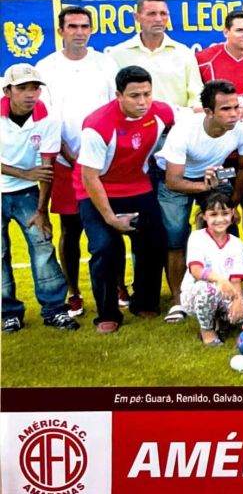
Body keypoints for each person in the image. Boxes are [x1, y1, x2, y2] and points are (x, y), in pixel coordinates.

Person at [77, 66, 174, 332]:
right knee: (105, 248)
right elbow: (89, 177)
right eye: (134, 96)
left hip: (138, 185)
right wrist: (110, 218)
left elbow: (193, 117)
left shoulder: (162, 112)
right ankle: (107, 314)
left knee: (154, 241)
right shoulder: (97, 125)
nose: (143, 102)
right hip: (97, 188)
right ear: (118, 95)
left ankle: (144, 301)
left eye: (147, 94)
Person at [36, 5, 116, 317]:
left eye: (84, 26)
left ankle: (117, 285)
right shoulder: (46, 67)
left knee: (111, 224)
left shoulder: (104, 63)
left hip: (105, 160)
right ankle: (74, 291)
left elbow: (114, 107)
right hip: (65, 160)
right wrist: (67, 152)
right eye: (72, 26)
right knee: (71, 228)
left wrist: (103, 152)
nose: (79, 32)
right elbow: (45, 116)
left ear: (91, 30)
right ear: (61, 31)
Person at [156, 80, 243, 323]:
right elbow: (172, 180)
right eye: (226, 109)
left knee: (227, 228)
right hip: (178, 178)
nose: (234, 114)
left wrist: (232, 205)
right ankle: (179, 301)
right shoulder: (184, 130)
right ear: (209, 112)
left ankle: (229, 296)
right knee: (175, 235)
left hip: (213, 175)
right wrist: (204, 187)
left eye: (236, 107)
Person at [1, 65, 78, 333]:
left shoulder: (49, 118)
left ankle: (55, 310)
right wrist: (24, 173)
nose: (30, 94)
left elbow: (47, 168)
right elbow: (34, 171)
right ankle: (8, 313)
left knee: (43, 246)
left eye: (35, 88)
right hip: (12, 183)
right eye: (22, 88)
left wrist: (42, 210)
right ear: (7, 91)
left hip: (27, 192)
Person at [111, 0, 202, 110]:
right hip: (133, 121)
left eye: (163, 14)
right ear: (137, 17)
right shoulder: (118, 55)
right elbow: (112, 96)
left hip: (176, 120)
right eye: (152, 14)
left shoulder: (184, 54)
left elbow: (197, 97)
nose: (158, 19)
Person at [181, 193, 243, 346]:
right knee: (207, 289)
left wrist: (238, 300)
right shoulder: (197, 237)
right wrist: (220, 280)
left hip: (226, 294)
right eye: (213, 214)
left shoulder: (238, 244)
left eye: (225, 213)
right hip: (197, 295)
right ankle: (207, 331)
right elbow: (196, 270)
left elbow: (236, 280)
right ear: (204, 216)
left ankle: (224, 323)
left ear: (232, 213)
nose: (220, 219)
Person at [197, 11, 243, 114]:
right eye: (240, 30)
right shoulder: (205, 59)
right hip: (218, 122)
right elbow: (195, 100)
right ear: (226, 32)